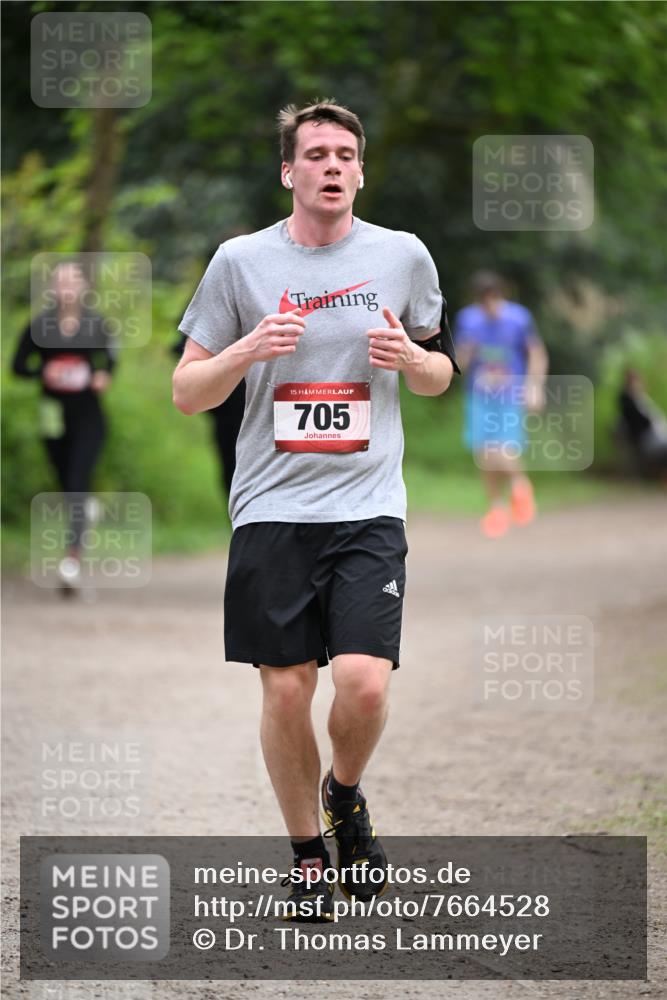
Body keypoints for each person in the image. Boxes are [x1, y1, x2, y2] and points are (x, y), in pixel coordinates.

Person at [173, 100, 458, 921]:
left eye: (345, 154)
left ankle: (344, 794)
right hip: (271, 507)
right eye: (316, 153)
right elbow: (188, 393)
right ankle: (306, 856)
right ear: (289, 171)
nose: (331, 165)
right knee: (288, 691)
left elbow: (440, 374)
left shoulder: (401, 257)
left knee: (363, 686)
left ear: (360, 171)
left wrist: (412, 358)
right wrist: (244, 349)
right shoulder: (239, 262)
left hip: (369, 504)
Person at [12, 261, 115, 594]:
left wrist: (103, 376)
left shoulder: (96, 324)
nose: (67, 287)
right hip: (52, 416)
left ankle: (71, 561)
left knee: (75, 482)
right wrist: (42, 374)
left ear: (84, 287)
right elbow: (17, 366)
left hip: (89, 418)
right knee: (65, 483)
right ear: (53, 288)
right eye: (61, 281)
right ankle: (84, 512)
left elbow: (109, 361)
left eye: (73, 281)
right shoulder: (39, 325)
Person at [454, 271, 548, 538]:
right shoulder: (468, 320)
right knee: (484, 454)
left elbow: (537, 353)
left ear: (501, 295)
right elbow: (459, 364)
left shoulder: (518, 318)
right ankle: (496, 508)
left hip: (509, 394)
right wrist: (465, 352)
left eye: (494, 299)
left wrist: (534, 387)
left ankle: (520, 486)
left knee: (504, 449)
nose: (490, 306)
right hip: (479, 394)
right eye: (485, 302)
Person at [172, 332, 245, 498]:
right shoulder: (215, 307)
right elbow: (182, 347)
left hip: (276, 403)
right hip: (228, 409)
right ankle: (237, 517)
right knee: (232, 466)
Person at [617, 368, 667, 481]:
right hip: (648, 438)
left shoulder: (642, 399)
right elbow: (642, 421)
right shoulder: (627, 400)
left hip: (658, 435)